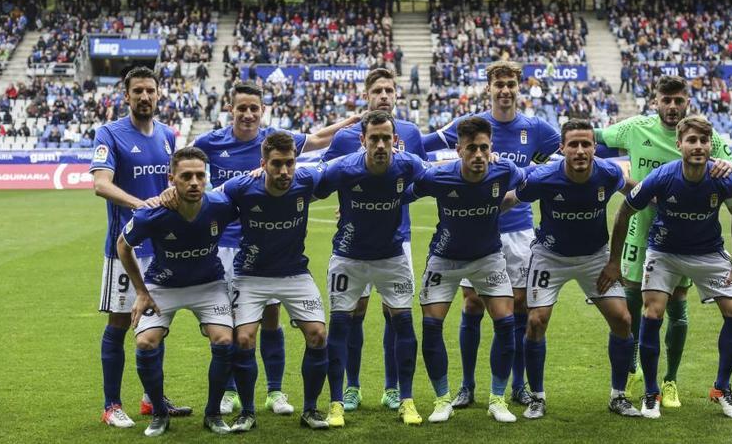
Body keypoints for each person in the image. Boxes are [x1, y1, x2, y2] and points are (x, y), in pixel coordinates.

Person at [192, 81, 359, 416]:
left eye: (254, 108)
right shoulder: (209, 142)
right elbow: (188, 171)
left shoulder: (275, 140)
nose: (249, 114)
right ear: (231, 108)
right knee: (230, 327)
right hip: (226, 245)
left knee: (271, 317)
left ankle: (274, 391)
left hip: (271, 246)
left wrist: (349, 122)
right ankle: (229, 392)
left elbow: (314, 140)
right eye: (242, 108)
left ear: (262, 110)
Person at [595, 75, 732, 408]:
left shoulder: (708, 136)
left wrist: (730, 169)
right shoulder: (635, 128)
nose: (672, 106)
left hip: (688, 238)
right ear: (656, 102)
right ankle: (635, 369)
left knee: (677, 307)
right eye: (666, 100)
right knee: (633, 306)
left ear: (686, 102)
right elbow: (592, 138)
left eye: (679, 100)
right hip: (643, 234)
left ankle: (670, 382)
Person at [423, 61, 560, 409]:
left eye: (511, 83)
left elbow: (553, 164)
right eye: (499, 84)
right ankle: (467, 386)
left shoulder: (536, 129)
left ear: (519, 87)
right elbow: (421, 144)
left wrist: (517, 181)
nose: (505, 90)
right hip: (475, 231)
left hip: (518, 231)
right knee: (472, 304)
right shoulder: (472, 127)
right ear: (489, 88)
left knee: (517, 307)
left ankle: (516, 386)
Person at [498, 120, 641, 420]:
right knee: (536, 320)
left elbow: (631, 190)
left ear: (594, 148)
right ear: (562, 148)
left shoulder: (608, 172)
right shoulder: (544, 176)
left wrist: (655, 194)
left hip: (595, 258)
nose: (579, 150)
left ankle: (619, 395)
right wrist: (481, 211)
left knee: (622, 318)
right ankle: (537, 397)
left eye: (586, 144)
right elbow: (512, 199)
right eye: (573, 145)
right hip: (551, 256)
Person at [320, 68, 427, 413]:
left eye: (389, 90)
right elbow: (327, 174)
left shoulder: (410, 132)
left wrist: (395, 200)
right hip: (355, 240)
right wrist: (349, 201)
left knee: (395, 312)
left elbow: (419, 181)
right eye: (377, 90)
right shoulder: (346, 137)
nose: (383, 95)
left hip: (399, 236)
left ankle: (393, 388)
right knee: (355, 313)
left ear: (397, 94)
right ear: (366, 95)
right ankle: (351, 387)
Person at [90, 67, 189, 428]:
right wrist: (140, 204)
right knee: (119, 323)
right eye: (138, 91)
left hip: (160, 248)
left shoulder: (167, 135)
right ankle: (111, 405)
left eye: (150, 90)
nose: (145, 96)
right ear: (126, 95)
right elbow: (101, 184)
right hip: (124, 247)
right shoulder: (110, 133)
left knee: (156, 324)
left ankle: (152, 399)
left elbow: (174, 183)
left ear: (158, 94)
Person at [409, 117, 524, 424]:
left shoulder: (506, 171)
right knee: (432, 326)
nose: (478, 154)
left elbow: (529, 186)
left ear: (492, 148)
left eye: (484, 148)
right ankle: (442, 399)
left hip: (488, 258)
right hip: (444, 260)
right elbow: (402, 191)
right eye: (471, 148)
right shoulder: (440, 176)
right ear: (458, 150)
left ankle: (498, 400)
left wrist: (503, 203)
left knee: (506, 322)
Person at [116, 147, 238, 436]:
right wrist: (141, 291)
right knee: (145, 342)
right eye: (186, 176)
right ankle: (159, 413)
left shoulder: (221, 204)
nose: (194, 182)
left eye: (200, 175)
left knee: (224, 341)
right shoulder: (152, 214)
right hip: (163, 286)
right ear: (172, 178)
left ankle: (212, 415)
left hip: (208, 284)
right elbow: (123, 244)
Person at [219, 132, 330, 430]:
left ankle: (310, 410)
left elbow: (341, 170)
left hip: (294, 273)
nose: (284, 172)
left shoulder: (306, 179)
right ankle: (248, 413)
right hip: (251, 275)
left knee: (318, 335)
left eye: (289, 164)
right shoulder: (242, 187)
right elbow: (208, 202)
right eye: (277, 164)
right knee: (243, 339)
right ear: (263, 164)